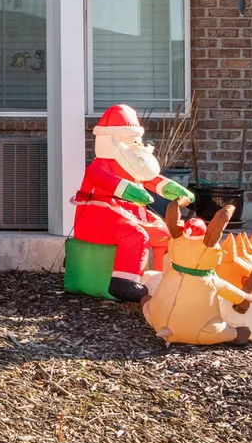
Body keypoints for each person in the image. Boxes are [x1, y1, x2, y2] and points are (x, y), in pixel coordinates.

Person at [70, 104, 193, 302]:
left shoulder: (131, 164)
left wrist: (173, 189)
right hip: (98, 218)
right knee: (135, 235)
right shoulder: (98, 165)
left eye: (136, 138)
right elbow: (105, 180)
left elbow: (150, 179)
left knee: (165, 234)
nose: (135, 144)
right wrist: (129, 190)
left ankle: (164, 279)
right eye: (130, 139)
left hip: (129, 214)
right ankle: (124, 283)